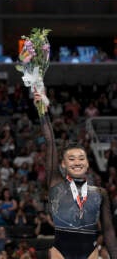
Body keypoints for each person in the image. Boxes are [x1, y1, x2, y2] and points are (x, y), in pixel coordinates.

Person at [34, 92, 117, 259]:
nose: (77, 162)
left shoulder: (99, 193)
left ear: (87, 163)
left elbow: (108, 230)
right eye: (71, 158)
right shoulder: (56, 184)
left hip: (90, 252)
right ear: (63, 164)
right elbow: (50, 142)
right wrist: (42, 112)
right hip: (60, 252)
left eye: (81, 158)